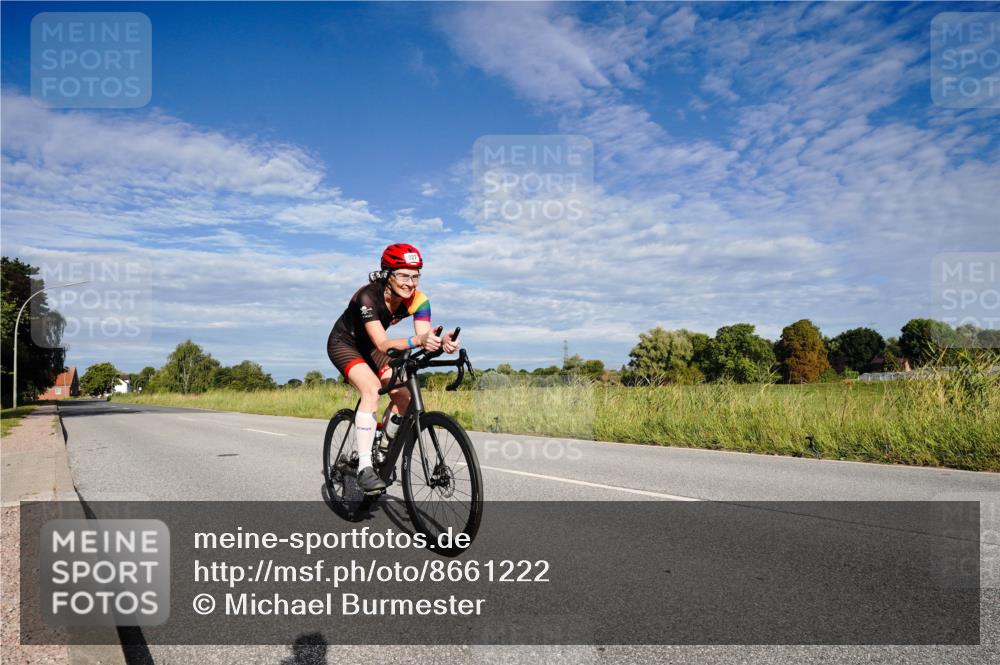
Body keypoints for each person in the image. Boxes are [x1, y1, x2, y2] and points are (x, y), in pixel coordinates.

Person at [327, 243, 460, 493]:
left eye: (416, 275)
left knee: (404, 394)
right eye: (403, 275)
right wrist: (418, 341)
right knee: (372, 388)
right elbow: (383, 343)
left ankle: (381, 449)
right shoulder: (368, 296)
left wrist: (440, 342)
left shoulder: (419, 300)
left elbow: (423, 337)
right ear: (387, 273)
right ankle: (365, 468)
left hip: (373, 349)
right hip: (344, 343)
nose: (410, 283)